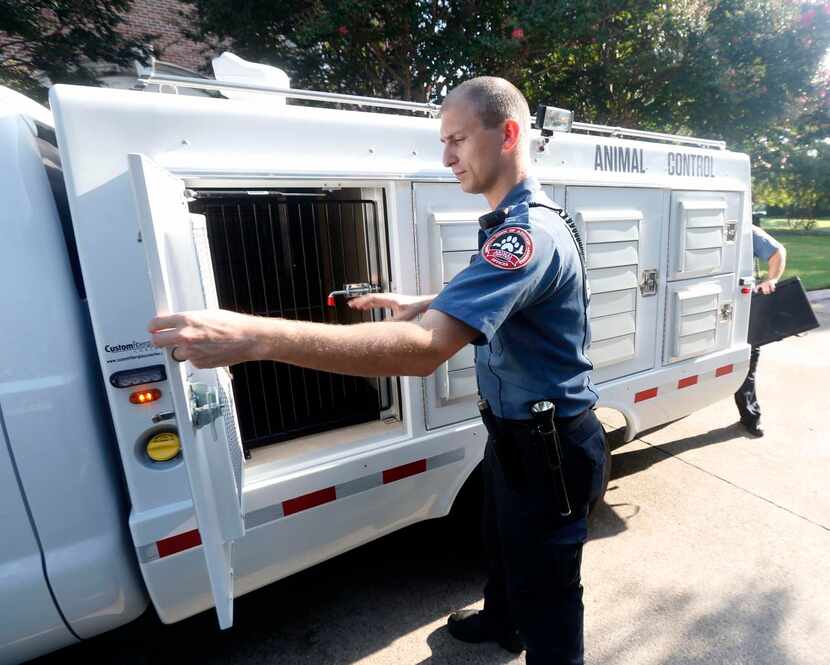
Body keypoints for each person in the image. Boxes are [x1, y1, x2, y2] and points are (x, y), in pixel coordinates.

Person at [148, 77, 606, 665]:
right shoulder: (517, 224)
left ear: (509, 134)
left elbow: (421, 351)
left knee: (549, 587)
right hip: (515, 434)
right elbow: (509, 301)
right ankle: (503, 623)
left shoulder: (525, 235)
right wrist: (433, 303)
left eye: (458, 140)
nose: (446, 157)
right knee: (499, 540)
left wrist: (255, 336)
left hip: (551, 445)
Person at [734, 224, 786, 437]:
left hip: (745, 306)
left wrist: (771, 279)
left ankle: (750, 416)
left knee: (747, 363)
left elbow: (777, 252)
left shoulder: (747, 229)